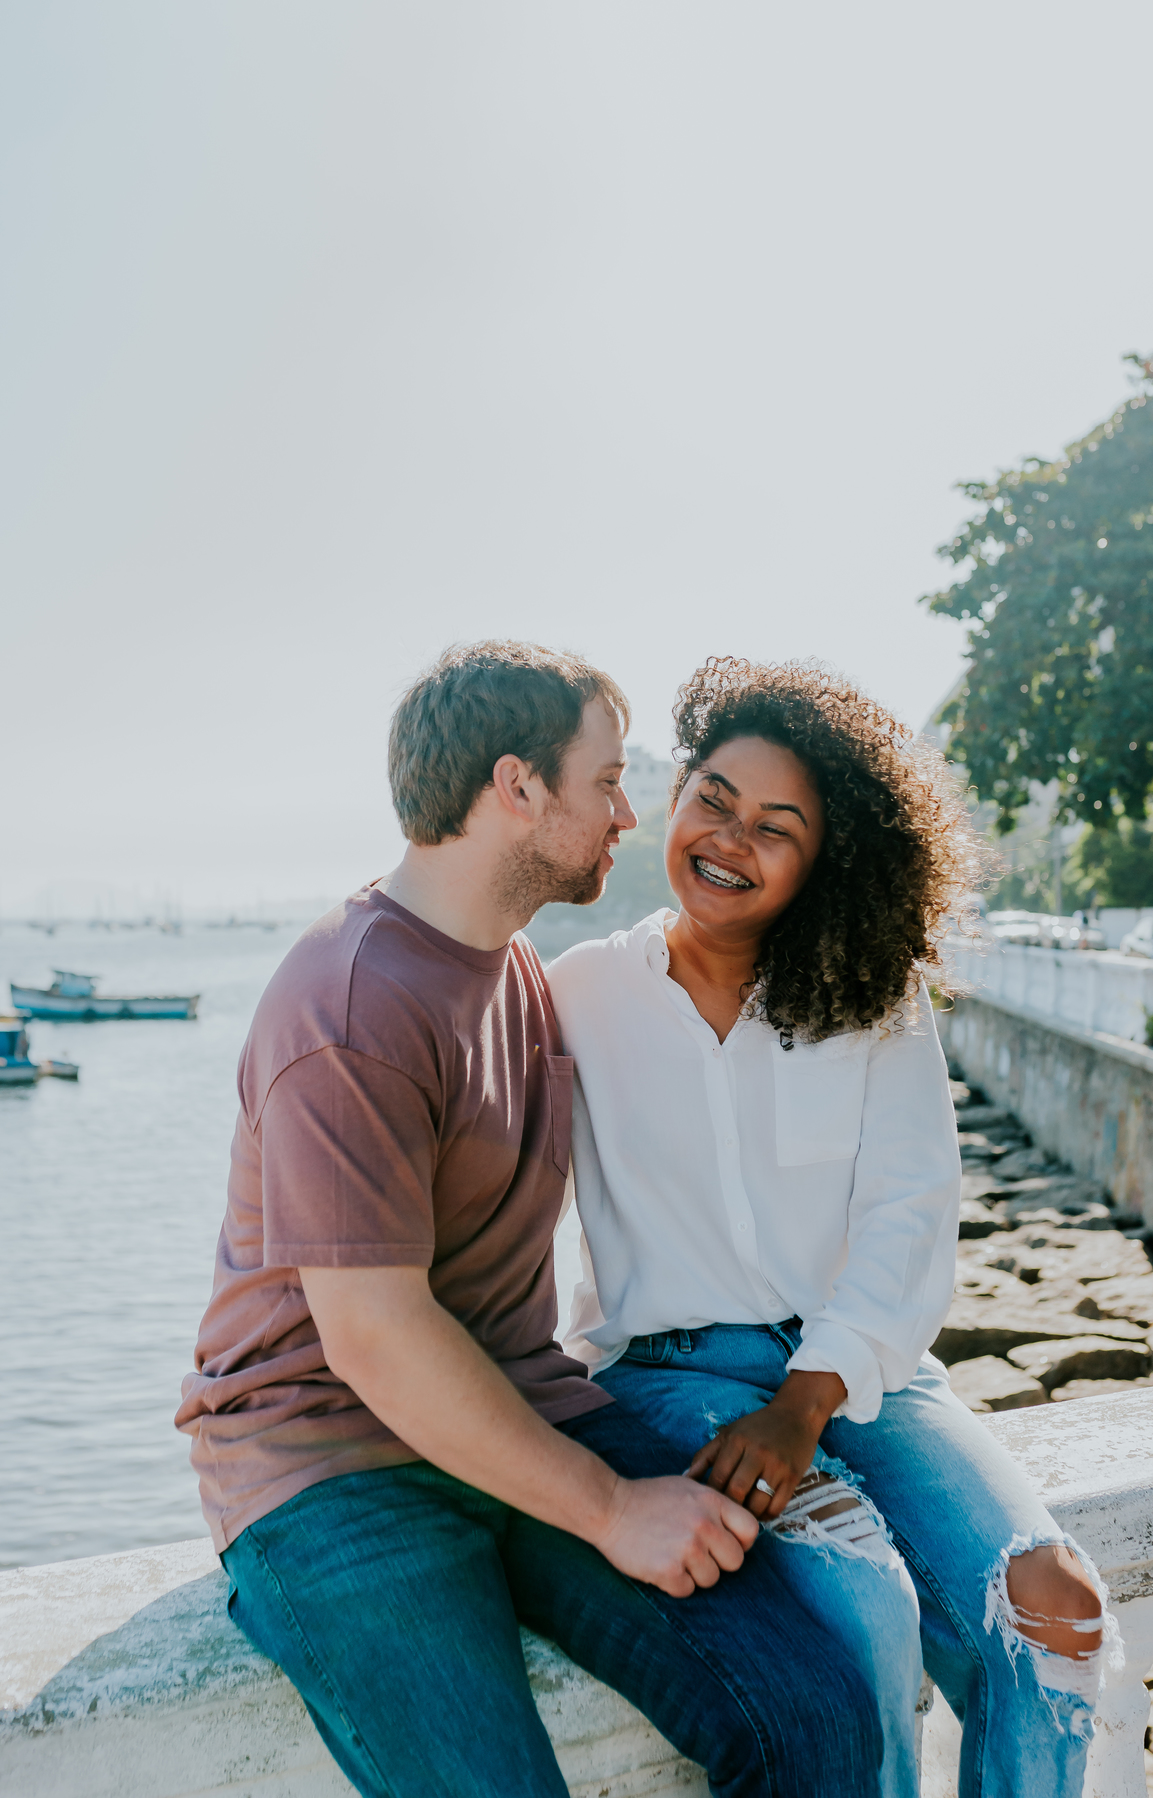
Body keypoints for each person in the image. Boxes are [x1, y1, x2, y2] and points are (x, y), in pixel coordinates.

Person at [176, 641, 884, 1798]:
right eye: (604, 780)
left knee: (812, 1710)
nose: (627, 810)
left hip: (516, 1412)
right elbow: (371, 1336)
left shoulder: (512, 972)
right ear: (517, 787)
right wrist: (610, 1507)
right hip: (331, 1464)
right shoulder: (349, 1003)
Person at [549, 656, 1121, 1798]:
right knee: (866, 1606)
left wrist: (808, 1400)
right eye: (713, 796)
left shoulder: (872, 992)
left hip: (864, 1373)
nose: (730, 837)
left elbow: (911, 1213)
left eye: (778, 825)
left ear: (822, 860)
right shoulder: (569, 996)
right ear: (676, 795)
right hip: (672, 1375)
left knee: (1055, 1601)